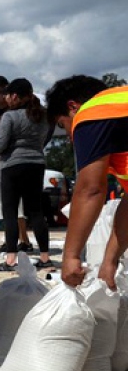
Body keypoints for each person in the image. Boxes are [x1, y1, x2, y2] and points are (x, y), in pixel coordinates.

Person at [45, 75, 128, 290]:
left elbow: (91, 189)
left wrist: (71, 257)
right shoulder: (120, 108)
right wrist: (110, 261)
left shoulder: (93, 112)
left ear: (73, 107)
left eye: (64, 126)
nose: (71, 137)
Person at [0, 78, 54, 272]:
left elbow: (0, 146)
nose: (5, 98)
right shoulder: (43, 116)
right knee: (36, 212)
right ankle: (45, 258)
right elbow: (43, 140)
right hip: (36, 164)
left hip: (13, 165)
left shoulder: (10, 116)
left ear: (14, 96)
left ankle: (10, 260)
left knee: (10, 212)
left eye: (7, 94)